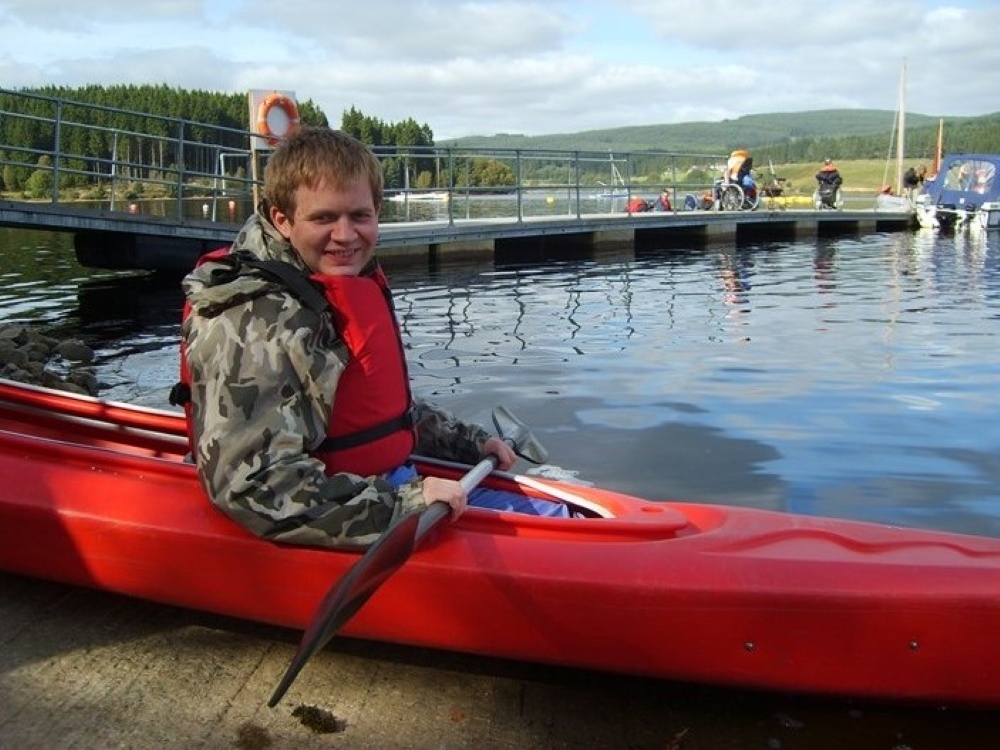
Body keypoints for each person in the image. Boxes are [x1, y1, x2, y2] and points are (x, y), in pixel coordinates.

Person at [175, 126, 569, 550]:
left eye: (359, 216)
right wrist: (406, 505)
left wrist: (466, 442)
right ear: (282, 220)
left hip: (378, 486)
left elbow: (370, 408)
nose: (346, 236)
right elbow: (254, 488)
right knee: (563, 539)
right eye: (324, 218)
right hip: (334, 505)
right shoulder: (252, 318)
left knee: (564, 514)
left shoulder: (333, 278)